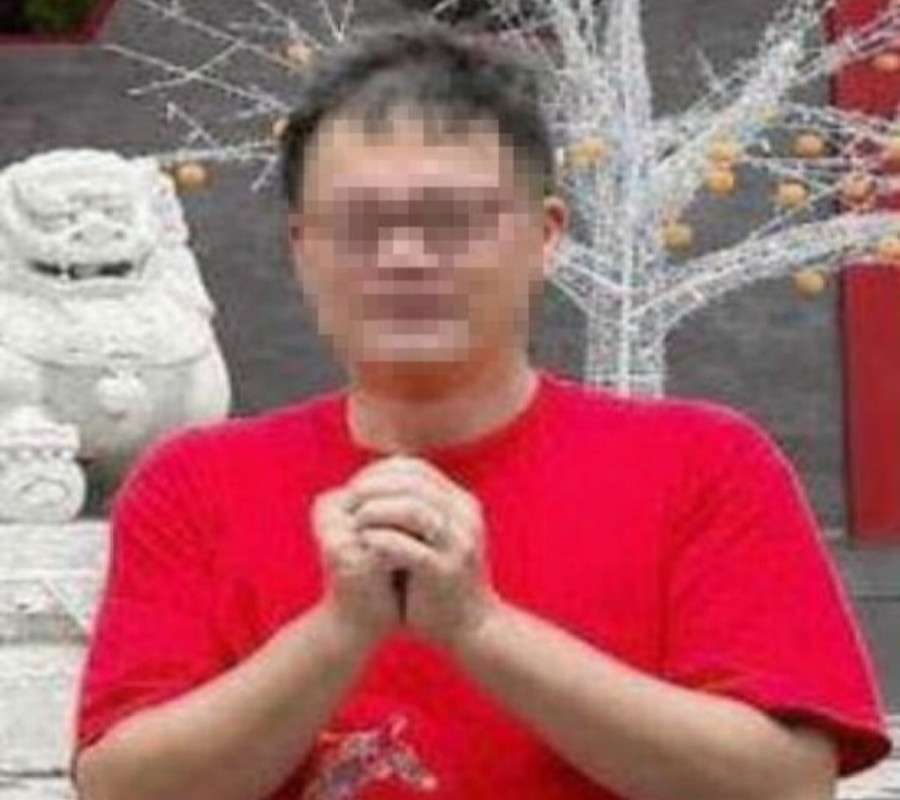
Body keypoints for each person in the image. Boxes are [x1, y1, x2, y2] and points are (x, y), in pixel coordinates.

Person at [69, 19, 892, 800]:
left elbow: (786, 783)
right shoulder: (197, 485)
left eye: (453, 220)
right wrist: (338, 631)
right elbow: (123, 786)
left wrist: (479, 626)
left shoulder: (704, 467)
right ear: (302, 249)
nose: (405, 257)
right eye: (359, 223)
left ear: (546, 235)